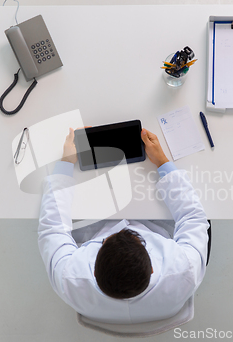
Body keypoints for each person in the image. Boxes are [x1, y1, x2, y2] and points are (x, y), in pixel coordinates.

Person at [38, 127, 209, 324]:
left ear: (93, 270)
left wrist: (67, 162)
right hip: (156, 226)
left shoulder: (70, 277)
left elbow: (52, 226)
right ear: (152, 269)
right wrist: (163, 162)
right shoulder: (184, 269)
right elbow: (193, 218)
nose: (122, 226)